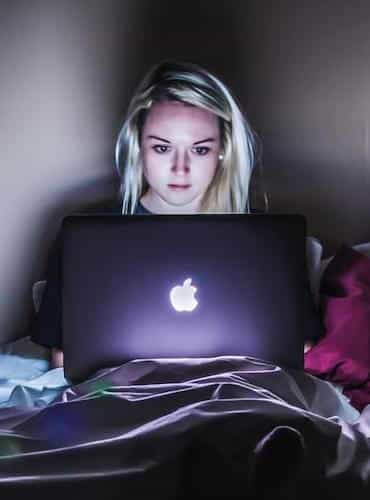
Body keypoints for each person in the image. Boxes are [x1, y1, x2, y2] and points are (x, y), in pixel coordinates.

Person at [30, 60, 317, 368]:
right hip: (128, 400)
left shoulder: (266, 239)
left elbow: (299, 345)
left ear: (223, 151)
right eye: (163, 148)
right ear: (138, 146)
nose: (181, 168)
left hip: (235, 393)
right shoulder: (86, 240)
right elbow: (64, 358)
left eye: (200, 149)